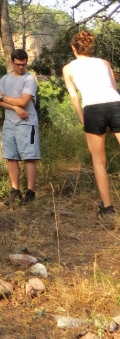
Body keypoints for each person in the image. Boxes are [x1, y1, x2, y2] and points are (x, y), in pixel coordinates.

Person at [63, 30, 120, 217]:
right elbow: (114, 88)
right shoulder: (104, 63)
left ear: (74, 48)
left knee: (99, 161)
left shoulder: (68, 68)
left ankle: (108, 207)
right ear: (89, 47)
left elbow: (73, 97)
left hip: (93, 109)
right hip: (115, 104)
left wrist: (82, 119)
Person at [0, 49, 39, 206]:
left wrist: (4, 97)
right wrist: (15, 108)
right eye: (18, 64)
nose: (21, 67)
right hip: (10, 122)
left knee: (29, 157)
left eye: (24, 64)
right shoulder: (5, 79)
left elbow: (23, 101)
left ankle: (30, 192)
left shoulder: (29, 79)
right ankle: (15, 190)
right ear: (12, 63)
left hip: (27, 123)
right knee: (11, 157)